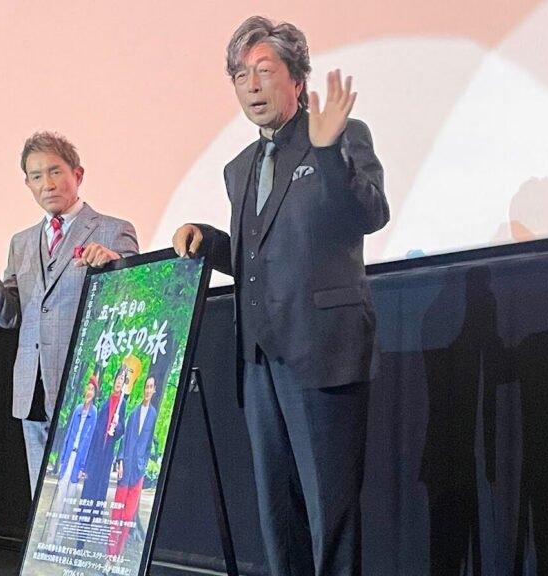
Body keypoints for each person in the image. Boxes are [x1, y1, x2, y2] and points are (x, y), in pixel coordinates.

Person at [173, 16, 389, 575]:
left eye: (264, 71)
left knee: (330, 514)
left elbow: (369, 214)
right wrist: (208, 242)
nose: (251, 85)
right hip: (258, 362)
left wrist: (328, 153)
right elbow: (258, 255)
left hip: (323, 352)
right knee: (278, 515)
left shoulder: (342, 133)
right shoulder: (239, 168)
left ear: (297, 79)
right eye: (240, 76)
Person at [0, 131, 139, 496]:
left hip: (86, 388)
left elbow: (132, 300)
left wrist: (114, 265)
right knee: (42, 499)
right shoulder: (21, 242)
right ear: (28, 184)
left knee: (81, 497)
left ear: (77, 174)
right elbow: (10, 316)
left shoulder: (113, 230)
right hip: (33, 388)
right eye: (36, 176)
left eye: (55, 171)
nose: (47, 184)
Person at [78, 354, 140, 546]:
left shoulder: (122, 404)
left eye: (122, 380)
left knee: (98, 491)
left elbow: (122, 429)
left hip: (106, 456)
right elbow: (98, 428)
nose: (119, 382)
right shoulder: (107, 401)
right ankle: (81, 534)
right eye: (118, 379)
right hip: (96, 453)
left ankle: (88, 530)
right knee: (88, 490)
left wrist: (116, 427)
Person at [107, 375, 157, 558]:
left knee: (128, 516)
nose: (148, 390)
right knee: (116, 515)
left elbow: (149, 442)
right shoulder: (134, 413)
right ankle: (109, 555)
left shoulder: (153, 415)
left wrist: (143, 463)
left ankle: (117, 554)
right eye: (146, 386)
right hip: (125, 469)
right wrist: (120, 461)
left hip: (138, 471)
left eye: (151, 387)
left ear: (154, 390)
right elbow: (124, 439)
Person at [46, 375, 98, 542]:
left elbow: (89, 442)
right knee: (59, 498)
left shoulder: (94, 413)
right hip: (69, 456)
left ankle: (58, 541)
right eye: (88, 388)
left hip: (79, 461)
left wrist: (83, 467)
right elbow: (69, 434)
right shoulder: (77, 410)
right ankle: (50, 539)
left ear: (95, 393)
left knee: (69, 502)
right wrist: (62, 458)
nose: (89, 392)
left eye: (92, 390)